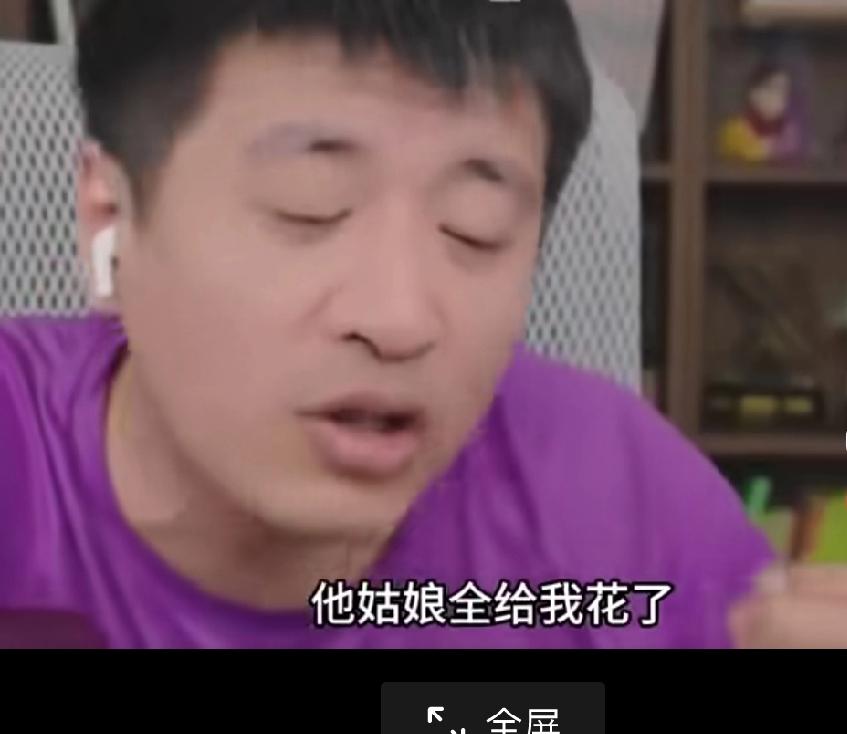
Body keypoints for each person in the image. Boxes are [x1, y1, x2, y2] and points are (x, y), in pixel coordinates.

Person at [0, 0, 775, 649]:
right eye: (309, 204)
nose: (398, 320)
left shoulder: (618, 503)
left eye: (474, 227)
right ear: (110, 220)